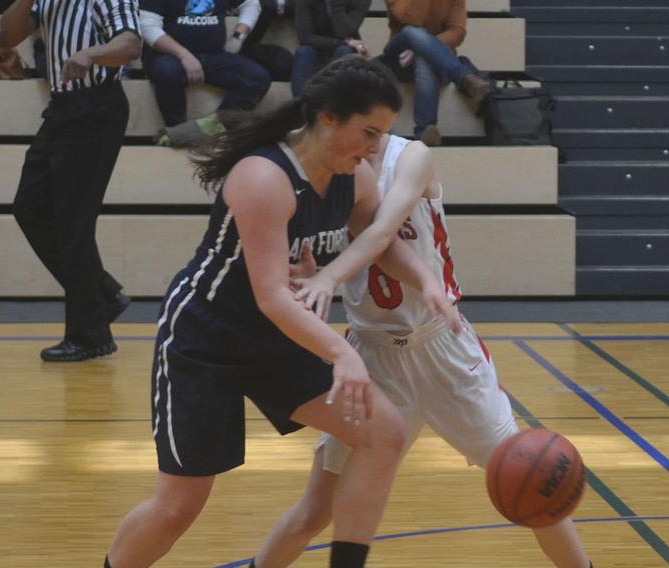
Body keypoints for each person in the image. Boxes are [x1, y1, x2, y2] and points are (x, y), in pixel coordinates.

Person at [103, 56, 460, 568]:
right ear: (329, 117)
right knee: (181, 502)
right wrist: (343, 354)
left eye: (382, 136)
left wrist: (427, 280)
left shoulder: (354, 178)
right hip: (207, 338)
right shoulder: (263, 178)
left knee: (383, 432)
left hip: (278, 336)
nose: (376, 148)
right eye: (369, 132)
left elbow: (378, 245)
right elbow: (271, 296)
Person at [249, 133, 594, 567]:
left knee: (533, 483)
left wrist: (328, 278)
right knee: (316, 510)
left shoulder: (412, 156)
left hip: (443, 349)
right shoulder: (330, 171)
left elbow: (380, 232)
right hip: (372, 358)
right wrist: (310, 273)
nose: (368, 137)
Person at [0, 0, 140, 361]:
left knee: (73, 224)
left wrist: (91, 54)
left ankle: (90, 337)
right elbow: (8, 37)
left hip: (97, 106)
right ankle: (102, 295)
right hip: (63, 107)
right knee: (29, 207)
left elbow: (130, 43)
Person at [139, 0, 271, 137]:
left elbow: (251, 4)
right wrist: (184, 56)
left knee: (258, 78)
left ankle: (210, 130)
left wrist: (238, 37)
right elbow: (148, 26)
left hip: (213, 55)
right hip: (168, 55)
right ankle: (178, 132)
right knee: (167, 71)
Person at [380, 0, 490, 146]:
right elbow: (405, 15)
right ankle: (463, 78)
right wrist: (422, 43)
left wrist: (424, 47)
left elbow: (457, 31)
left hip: (435, 60)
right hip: (398, 55)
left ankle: (425, 131)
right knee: (411, 32)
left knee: (424, 58)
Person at [290, 0, 370, 96]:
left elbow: (344, 32)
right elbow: (305, 38)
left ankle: (337, 106)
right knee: (303, 52)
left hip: (345, 49)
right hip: (316, 47)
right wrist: (344, 42)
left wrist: (335, 4)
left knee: (344, 51)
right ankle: (300, 105)